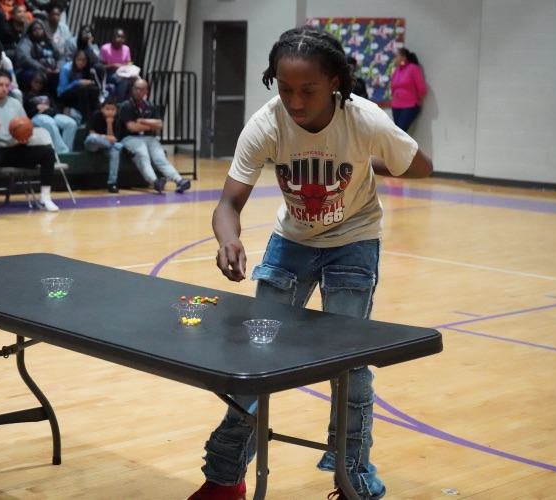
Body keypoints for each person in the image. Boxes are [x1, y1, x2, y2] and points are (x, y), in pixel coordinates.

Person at [190, 26, 433, 500]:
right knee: (254, 357)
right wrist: (227, 240)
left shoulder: (366, 122)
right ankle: (224, 478)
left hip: (354, 240)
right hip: (292, 241)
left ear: (337, 82)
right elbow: (228, 204)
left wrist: (376, 159)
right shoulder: (266, 123)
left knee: (349, 362)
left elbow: (421, 166)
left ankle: (353, 478)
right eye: (285, 89)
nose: (295, 102)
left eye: (308, 90)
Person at [0, 68, 60, 213]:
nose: (4, 89)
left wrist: (26, 136)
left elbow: (26, 125)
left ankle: (45, 197)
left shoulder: (15, 103)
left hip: (17, 148)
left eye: (7, 85)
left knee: (48, 152)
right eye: (0, 85)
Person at [119, 78, 190, 194]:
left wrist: (142, 121)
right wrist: (150, 125)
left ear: (146, 91)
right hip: (130, 138)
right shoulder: (126, 106)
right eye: (136, 88)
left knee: (160, 157)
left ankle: (179, 180)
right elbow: (132, 127)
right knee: (143, 155)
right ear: (132, 90)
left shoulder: (150, 105)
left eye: (141, 89)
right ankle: (155, 182)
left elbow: (159, 124)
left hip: (149, 138)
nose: (138, 91)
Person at [24, 70, 75, 153]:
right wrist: (37, 109)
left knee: (71, 123)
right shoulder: (26, 96)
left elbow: (55, 110)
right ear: (31, 82)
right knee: (50, 123)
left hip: (50, 114)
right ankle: (62, 152)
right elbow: (27, 113)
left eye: (40, 83)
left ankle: (68, 150)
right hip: (36, 116)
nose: (38, 85)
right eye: (36, 82)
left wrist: (46, 109)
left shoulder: (47, 95)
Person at [84, 96, 125, 193]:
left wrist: (109, 124)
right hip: (92, 145)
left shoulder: (117, 120)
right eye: (107, 109)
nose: (110, 112)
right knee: (95, 139)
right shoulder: (95, 116)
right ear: (102, 109)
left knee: (115, 151)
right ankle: (115, 147)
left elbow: (113, 139)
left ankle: (112, 183)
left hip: (106, 147)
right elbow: (91, 134)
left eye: (113, 110)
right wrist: (105, 137)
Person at [15, 19, 62, 92]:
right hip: (31, 69)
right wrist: (43, 68)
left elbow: (60, 56)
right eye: (35, 29)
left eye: (40, 28)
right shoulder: (26, 41)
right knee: (37, 76)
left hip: (51, 69)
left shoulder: (49, 42)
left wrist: (58, 68)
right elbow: (26, 59)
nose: (37, 31)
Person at [56, 48, 100, 123]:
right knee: (82, 88)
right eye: (79, 60)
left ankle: (95, 116)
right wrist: (78, 82)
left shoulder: (86, 69)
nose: (81, 63)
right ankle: (85, 119)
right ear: (74, 60)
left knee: (93, 89)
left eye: (84, 61)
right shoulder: (66, 69)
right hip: (64, 95)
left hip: (79, 94)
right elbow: (61, 90)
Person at [390, 47, 426, 133]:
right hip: (396, 105)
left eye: (397, 56)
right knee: (396, 131)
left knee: (400, 131)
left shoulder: (413, 68)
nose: (395, 59)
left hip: (409, 105)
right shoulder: (397, 70)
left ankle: (400, 147)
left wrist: (418, 101)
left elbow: (421, 88)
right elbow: (393, 86)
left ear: (403, 57)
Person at [99, 27, 136, 101]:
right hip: (110, 74)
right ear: (113, 37)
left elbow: (129, 62)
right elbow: (101, 66)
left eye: (123, 37)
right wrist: (113, 65)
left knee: (136, 79)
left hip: (123, 73)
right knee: (123, 80)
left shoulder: (126, 49)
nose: (120, 39)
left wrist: (130, 65)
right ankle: (119, 102)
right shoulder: (105, 48)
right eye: (118, 37)